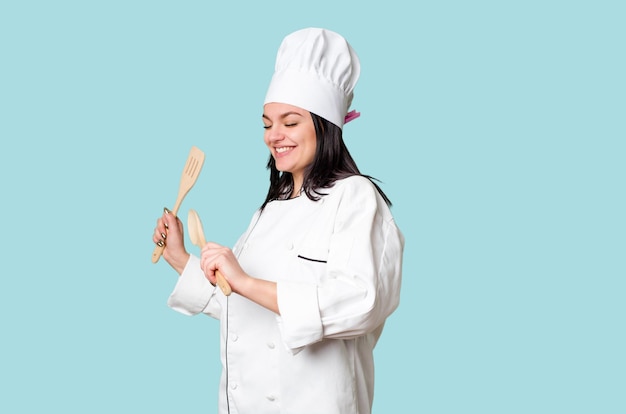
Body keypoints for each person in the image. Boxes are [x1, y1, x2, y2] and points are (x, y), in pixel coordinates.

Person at [152, 27, 404, 414]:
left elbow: (362, 301)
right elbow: (243, 308)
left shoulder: (355, 196)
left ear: (324, 125)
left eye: (290, 122)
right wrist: (180, 258)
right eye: (268, 123)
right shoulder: (269, 210)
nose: (275, 136)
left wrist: (247, 281)